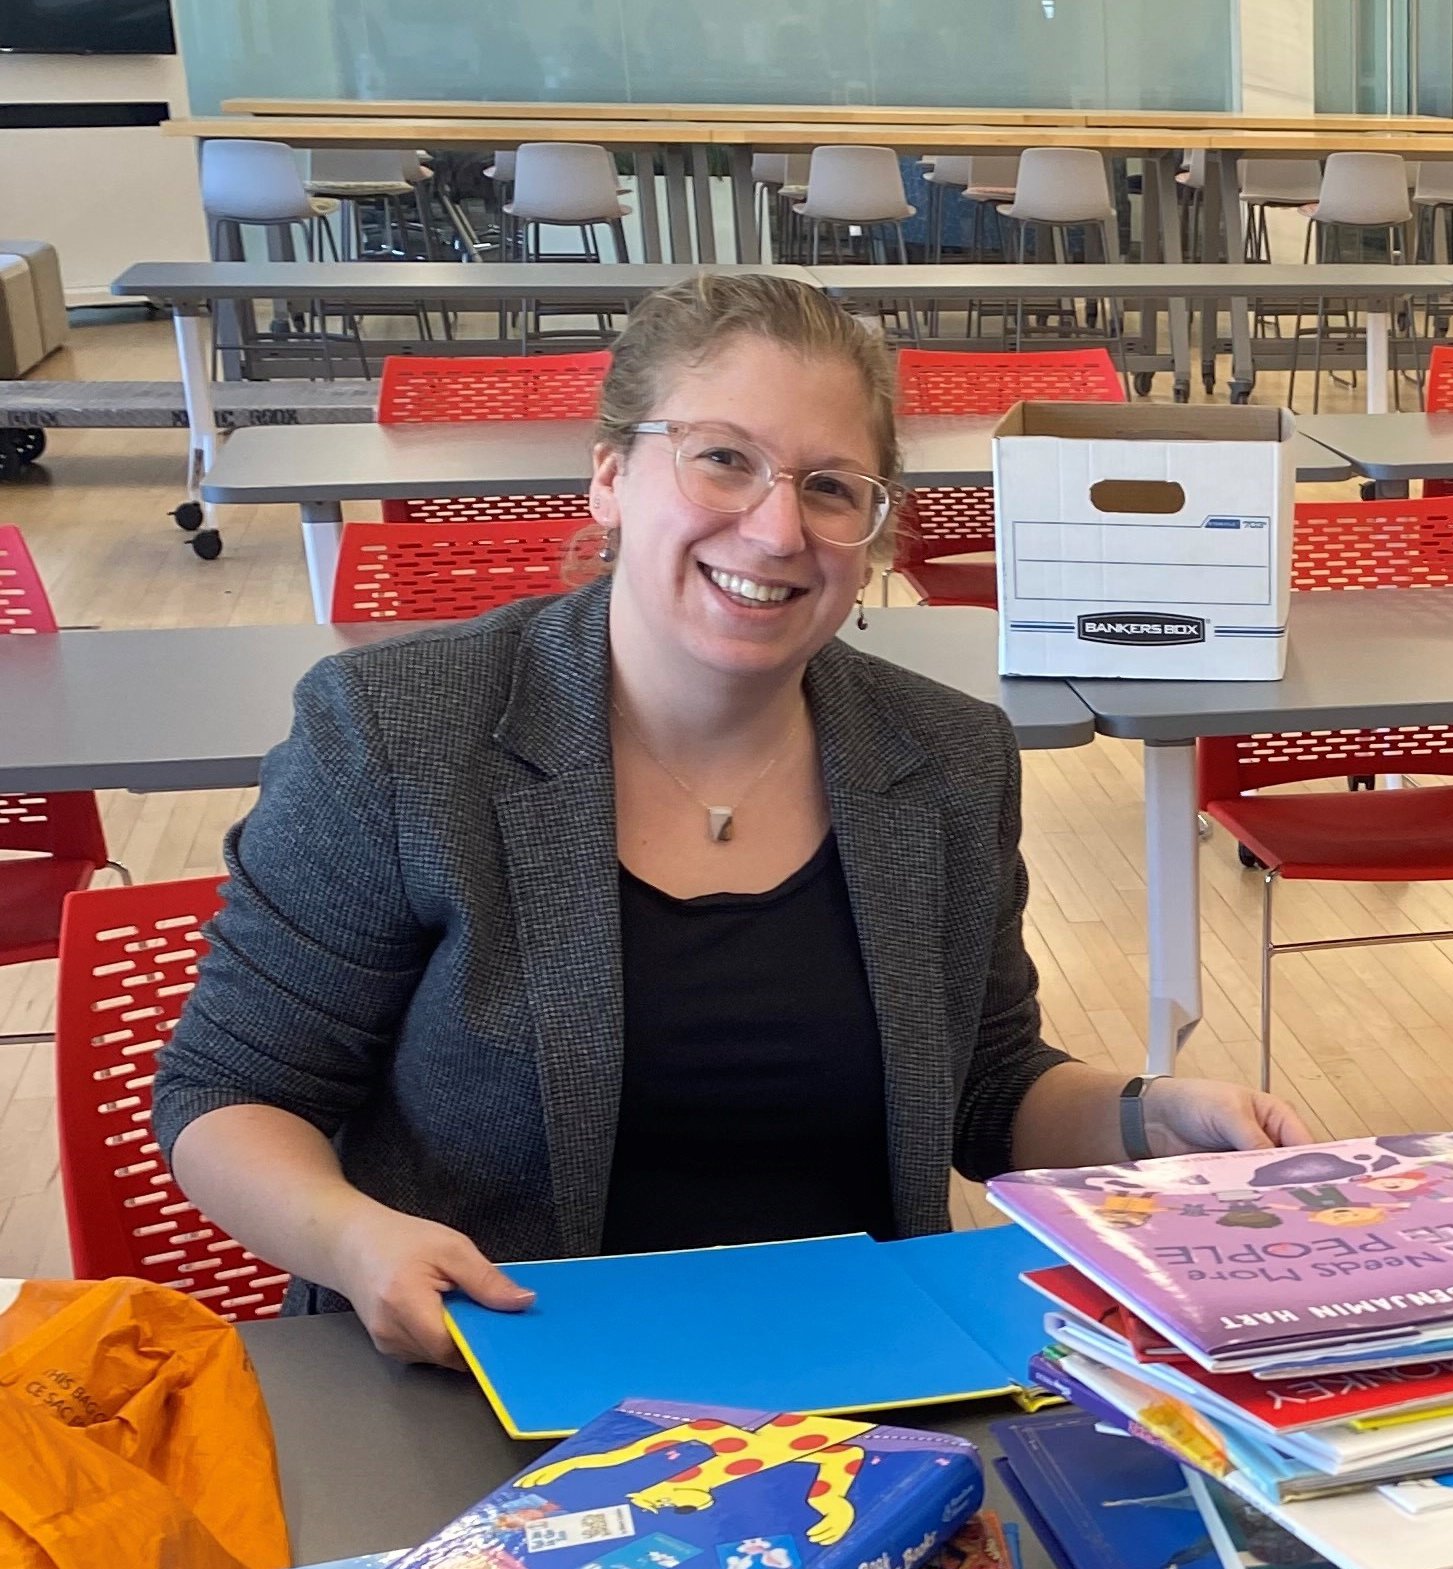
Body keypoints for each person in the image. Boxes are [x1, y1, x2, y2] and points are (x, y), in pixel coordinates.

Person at [155, 273, 1306, 1361]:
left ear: (873, 533)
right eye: (722, 460)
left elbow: (986, 1085)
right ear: (610, 476)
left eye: (831, 487)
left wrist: (1154, 1118)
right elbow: (229, 1093)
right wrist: (354, 1239)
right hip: (487, 1374)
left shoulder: (946, 758)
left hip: (863, 1385)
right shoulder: (399, 734)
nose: (775, 528)